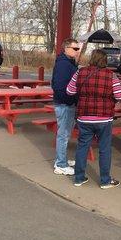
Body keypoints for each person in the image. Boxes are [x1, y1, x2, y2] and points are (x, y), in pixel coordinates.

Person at [66, 49, 121, 188]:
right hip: (104, 118)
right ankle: (105, 180)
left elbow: (69, 91)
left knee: (82, 147)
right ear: (105, 60)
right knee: (104, 149)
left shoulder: (80, 72)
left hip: (84, 117)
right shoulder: (111, 76)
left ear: (92, 58)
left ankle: (79, 178)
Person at [51, 38, 80, 176]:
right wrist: (70, 100)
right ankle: (60, 164)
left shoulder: (69, 63)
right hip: (64, 104)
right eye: (75, 48)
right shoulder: (64, 64)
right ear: (66, 48)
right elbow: (58, 86)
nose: (77, 51)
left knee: (65, 134)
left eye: (78, 48)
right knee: (63, 135)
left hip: (66, 103)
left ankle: (62, 160)